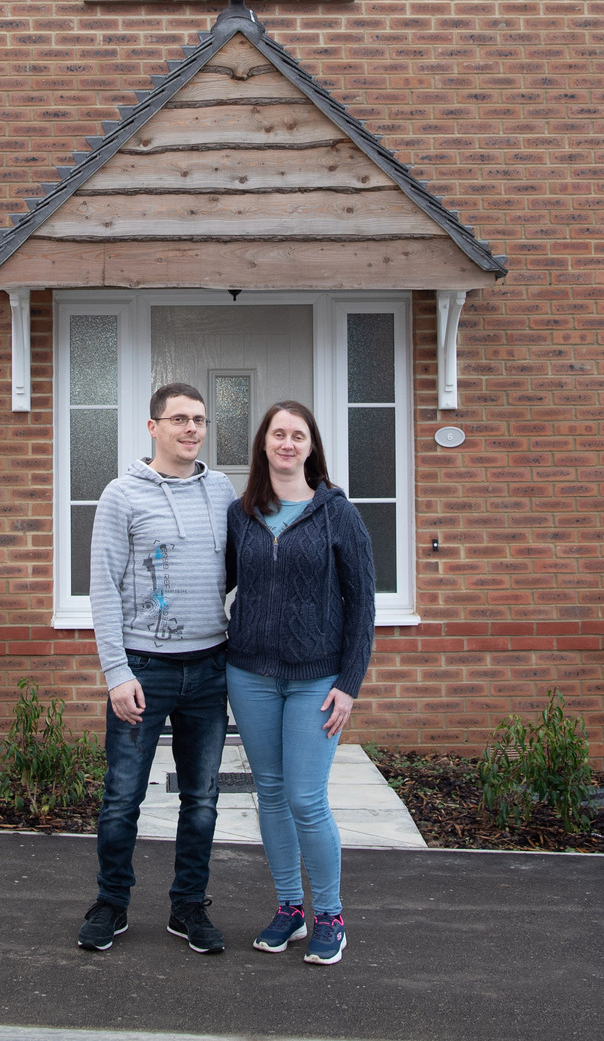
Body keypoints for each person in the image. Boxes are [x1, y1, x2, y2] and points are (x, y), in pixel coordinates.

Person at [78, 383, 237, 955]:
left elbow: (244, 575)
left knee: (201, 798)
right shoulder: (122, 495)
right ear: (153, 427)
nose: (191, 429)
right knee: (123, 797)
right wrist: (116, 672)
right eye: (178, 420)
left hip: (208, 667)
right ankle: (111, 904)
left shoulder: (222, 491)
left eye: (199, 420)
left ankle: (188, 907)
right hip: (143, 669)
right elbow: (102, 588)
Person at [225, 400, 375, 966]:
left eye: (298, 435)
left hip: (318, 679)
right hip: (251, 675)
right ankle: (290, 906)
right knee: (269, 794)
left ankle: (330, 915)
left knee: (305, 798)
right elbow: (224, 584)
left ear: (311, 447)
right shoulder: (243, 513)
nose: (287, 443)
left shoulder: (337, 512)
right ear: (263, 444)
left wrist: (350, 683)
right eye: (277, 434)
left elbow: (362, 605)